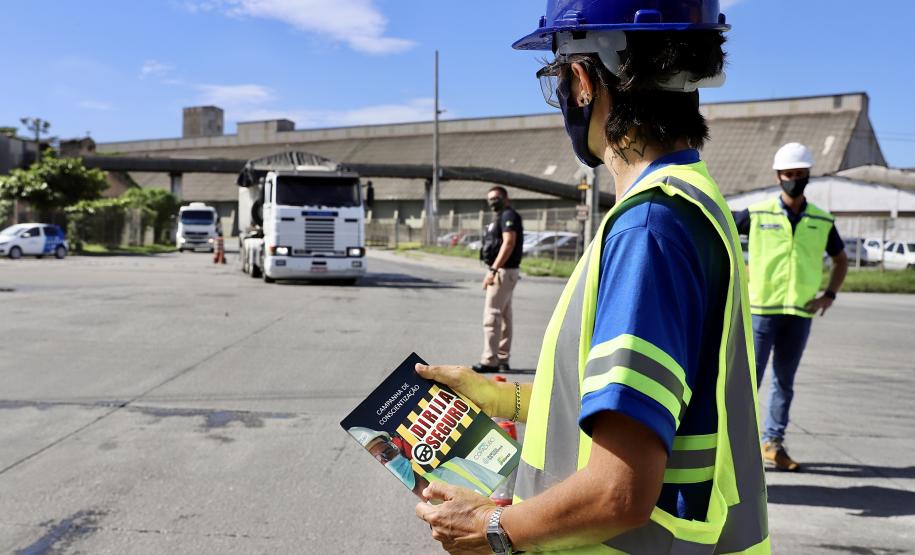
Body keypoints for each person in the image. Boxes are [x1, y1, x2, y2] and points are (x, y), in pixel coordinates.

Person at [413, 1, 770, 553]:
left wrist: (491, 528)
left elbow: (617, 491)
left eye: (554, 77)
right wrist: (500, 398)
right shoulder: (691, 199)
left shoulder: (648, 229)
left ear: (582, 81)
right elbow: (628, 404)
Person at [732, 142, 848, 471]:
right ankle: (735, 444)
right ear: (778, 176)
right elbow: (720, 236)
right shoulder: (756, 214)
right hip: (761, 311)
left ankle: (772, 443)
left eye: (800, 174)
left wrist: (829, 295)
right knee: (747, 381)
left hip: (799, 312)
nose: (794, 179)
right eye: (788, 174)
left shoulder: (821, 220)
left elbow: (841, 260)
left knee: (784, 382)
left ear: (808, 176)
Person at [475, 187, 523, 373]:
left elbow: (509, 242)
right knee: (504, 316)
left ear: (506, 198)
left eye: (496, 198)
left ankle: (490, 360)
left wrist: (494, 270)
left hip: (503, 271)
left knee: (492, 315)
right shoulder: (502, 216)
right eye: (490, 199)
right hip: (507, 271)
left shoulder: (508, 216)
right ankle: (502, 358)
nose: (492, 202)